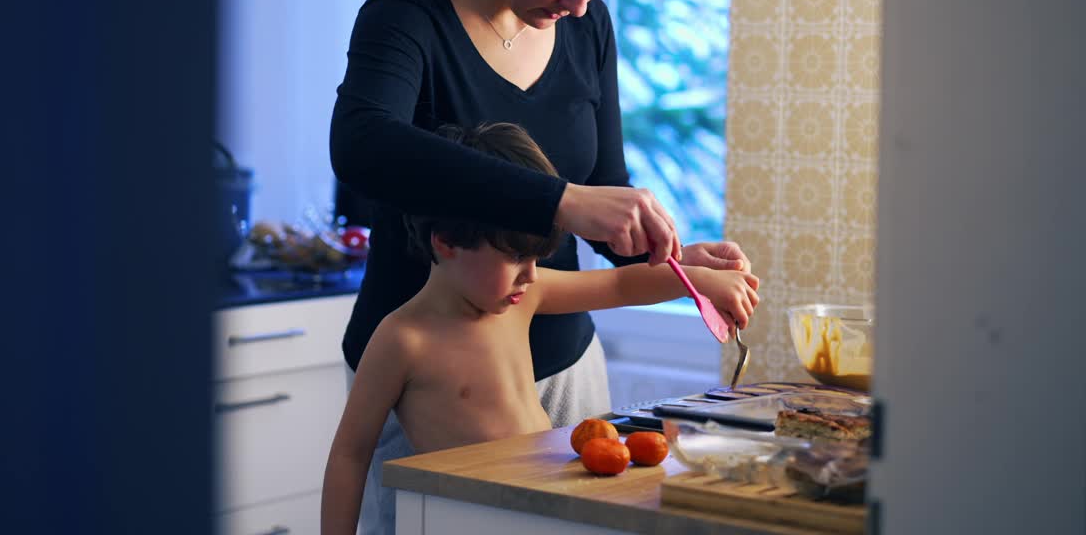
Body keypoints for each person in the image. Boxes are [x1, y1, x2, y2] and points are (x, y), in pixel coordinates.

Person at [328, 0, 753, 531]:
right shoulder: (407, 17)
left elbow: (604, 190)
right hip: (428, 386)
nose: (580, 4)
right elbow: (365, 146)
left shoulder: (587, 27)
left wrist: (675, 260)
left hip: (564, 372)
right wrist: (559, 201)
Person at [320, 123, 759, 535]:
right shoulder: (402, 339)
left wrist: (693, 279)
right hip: (469, 518)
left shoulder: (522, 297)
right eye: (515, 258)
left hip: (545, 506)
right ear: (446, 242)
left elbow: (619, 282)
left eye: (537, 260)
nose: (530, 275)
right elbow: (350, 454)